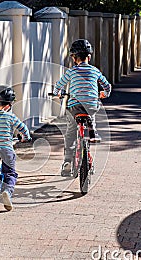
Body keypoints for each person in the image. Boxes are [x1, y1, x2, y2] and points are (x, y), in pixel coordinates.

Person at [53, 39, 111, 176]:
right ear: (89, 57)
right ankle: (93, 132)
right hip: (91, 105)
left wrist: (57, 93)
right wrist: (104, 93)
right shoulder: (95, 71)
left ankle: (67, 161)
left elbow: (58, 86)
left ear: (73, 58)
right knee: (91, 115)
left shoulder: (71, 72)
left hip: (75, 107)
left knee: (71, 131)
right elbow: (107, 86)